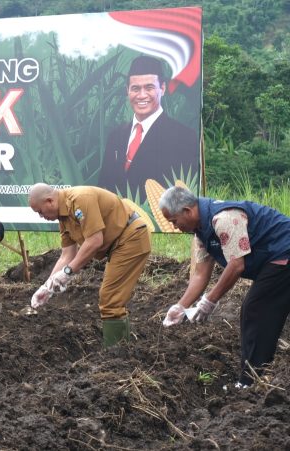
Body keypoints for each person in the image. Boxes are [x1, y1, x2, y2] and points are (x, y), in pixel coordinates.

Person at [160, 186, 290, 388]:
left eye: (174, 221)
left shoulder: (224, 219)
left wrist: (209, 301)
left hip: (283, 252)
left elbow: (237, 265)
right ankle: (258, 376)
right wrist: (180, 307)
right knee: (259, 308)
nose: (175, 227)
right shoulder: (201, 232)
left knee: (255, 309)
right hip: (273, 259)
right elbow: (201, 274)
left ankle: (251, 382)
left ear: (187, 211)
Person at [28, 183, 151, 348]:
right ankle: (122, 349)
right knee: (111, 298)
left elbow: (94, 241)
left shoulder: (81, 199)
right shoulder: (63, 219)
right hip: (117, 245)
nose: (41, 216)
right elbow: (67, 255)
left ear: (50, 201)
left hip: (130, 238)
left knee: (110, 299)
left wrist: (67, 273)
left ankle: (118, 356)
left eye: (40, 211)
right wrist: (47, 287)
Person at [97, 56, 199, 198]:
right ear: (127, 90)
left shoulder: (183, 136)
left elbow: (184, 195)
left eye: (149, 87)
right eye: (135, 89)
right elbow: (103, 188)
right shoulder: (115, 136)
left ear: (162, 88)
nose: (142, 95)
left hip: (157, 219)